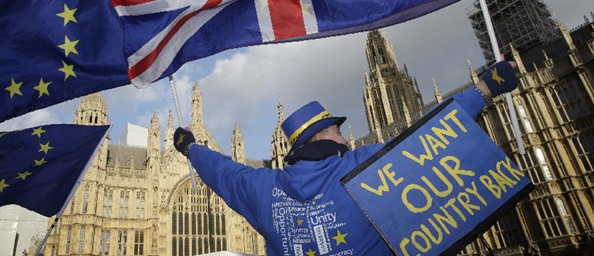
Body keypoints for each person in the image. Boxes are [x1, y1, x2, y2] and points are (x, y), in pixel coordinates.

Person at [173, 61, 518, 255]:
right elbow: (427, 138)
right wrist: (484, 90)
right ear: (322, 136)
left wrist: (190, 147)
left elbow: (222, 172)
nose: (346, 139)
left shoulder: (263, 189)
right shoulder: (364, 167)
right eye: (339, 132)